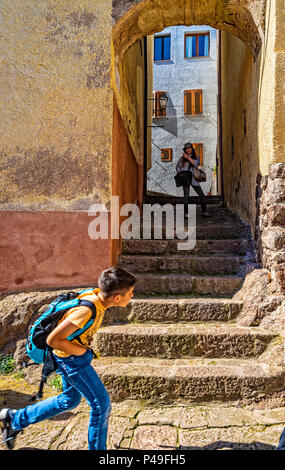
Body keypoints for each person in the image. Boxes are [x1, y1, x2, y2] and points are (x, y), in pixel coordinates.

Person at [0, 266, 137, 451]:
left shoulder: (95, 295)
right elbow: (54, 339)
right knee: (101, 404)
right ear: (117, 298)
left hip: (69, 357)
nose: (132, 296)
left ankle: (15, 420)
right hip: (71, 360)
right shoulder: (86, 311)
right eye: (131, 293)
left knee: (69, 400)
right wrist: (83, 353)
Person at [176, 142, 212, 217]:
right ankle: (186, 214)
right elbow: (178, 167)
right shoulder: (181, 159)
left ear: (192, 149)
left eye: (189, 148)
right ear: (185, 150)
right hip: (185, 179)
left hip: (193, 178)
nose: (188, 149)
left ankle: (204, 212)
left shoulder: (196, 157)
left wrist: (188, 158)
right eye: (186, 148)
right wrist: (180, 174)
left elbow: (196, 164)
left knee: (201, 195)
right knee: (186, 196)